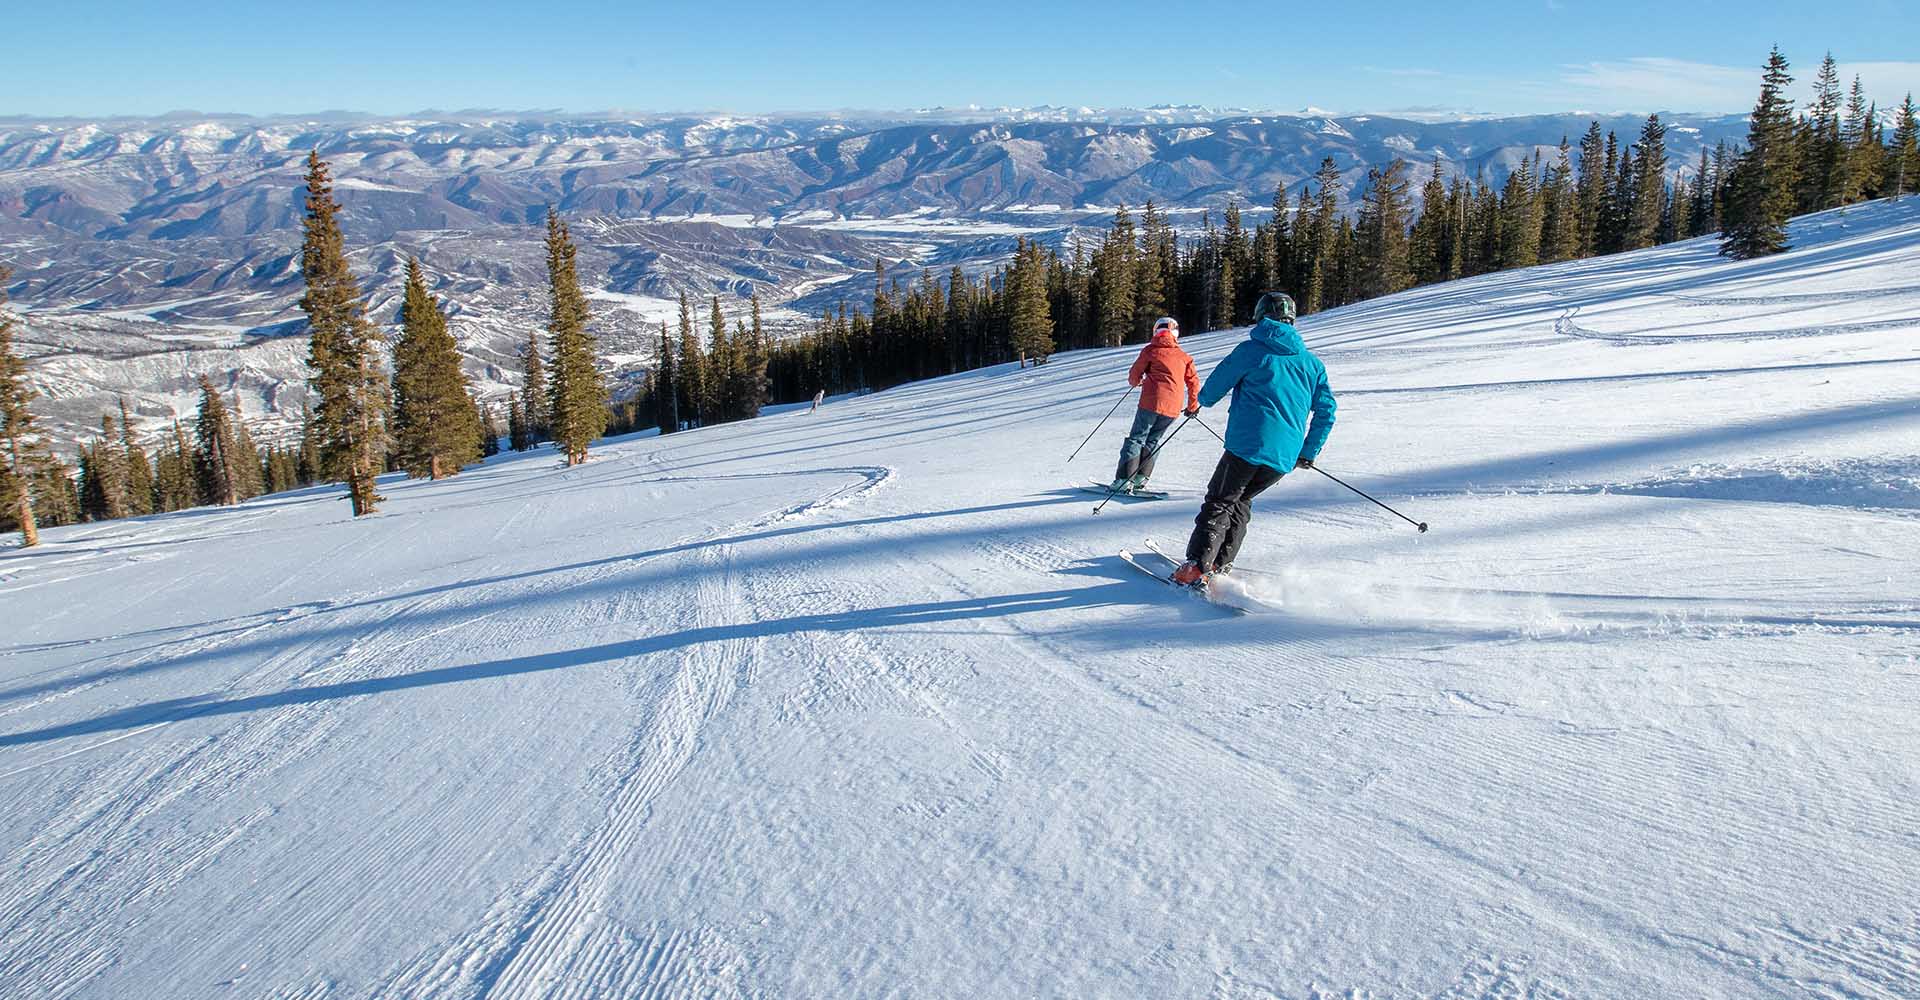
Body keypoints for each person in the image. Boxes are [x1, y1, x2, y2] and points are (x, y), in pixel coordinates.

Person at [1172, 292, 1335, 587]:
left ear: (1261, 317)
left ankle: (1196, 566)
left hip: (1247, 445)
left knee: (1220, 500)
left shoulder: (1252, 351)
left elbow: (1214, 388)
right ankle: (1220, 564)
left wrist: (1202, 401)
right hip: (1283, 457)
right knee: (1242, 500)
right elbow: (1327, 412)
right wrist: (1308, 451)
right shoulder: (1312, 365)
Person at [1110, 317, 1200, 494]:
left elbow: (1134, 375)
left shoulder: (1150, 351)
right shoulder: (1184, 357)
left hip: (1151, 402)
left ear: (1155, 331)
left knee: (1137, 438)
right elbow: (1193, 383)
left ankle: (1123, 480)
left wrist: (1137, 381)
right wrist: (1192, 406)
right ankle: (1141, 478)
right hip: (1173, 408)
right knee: (1153, 440)